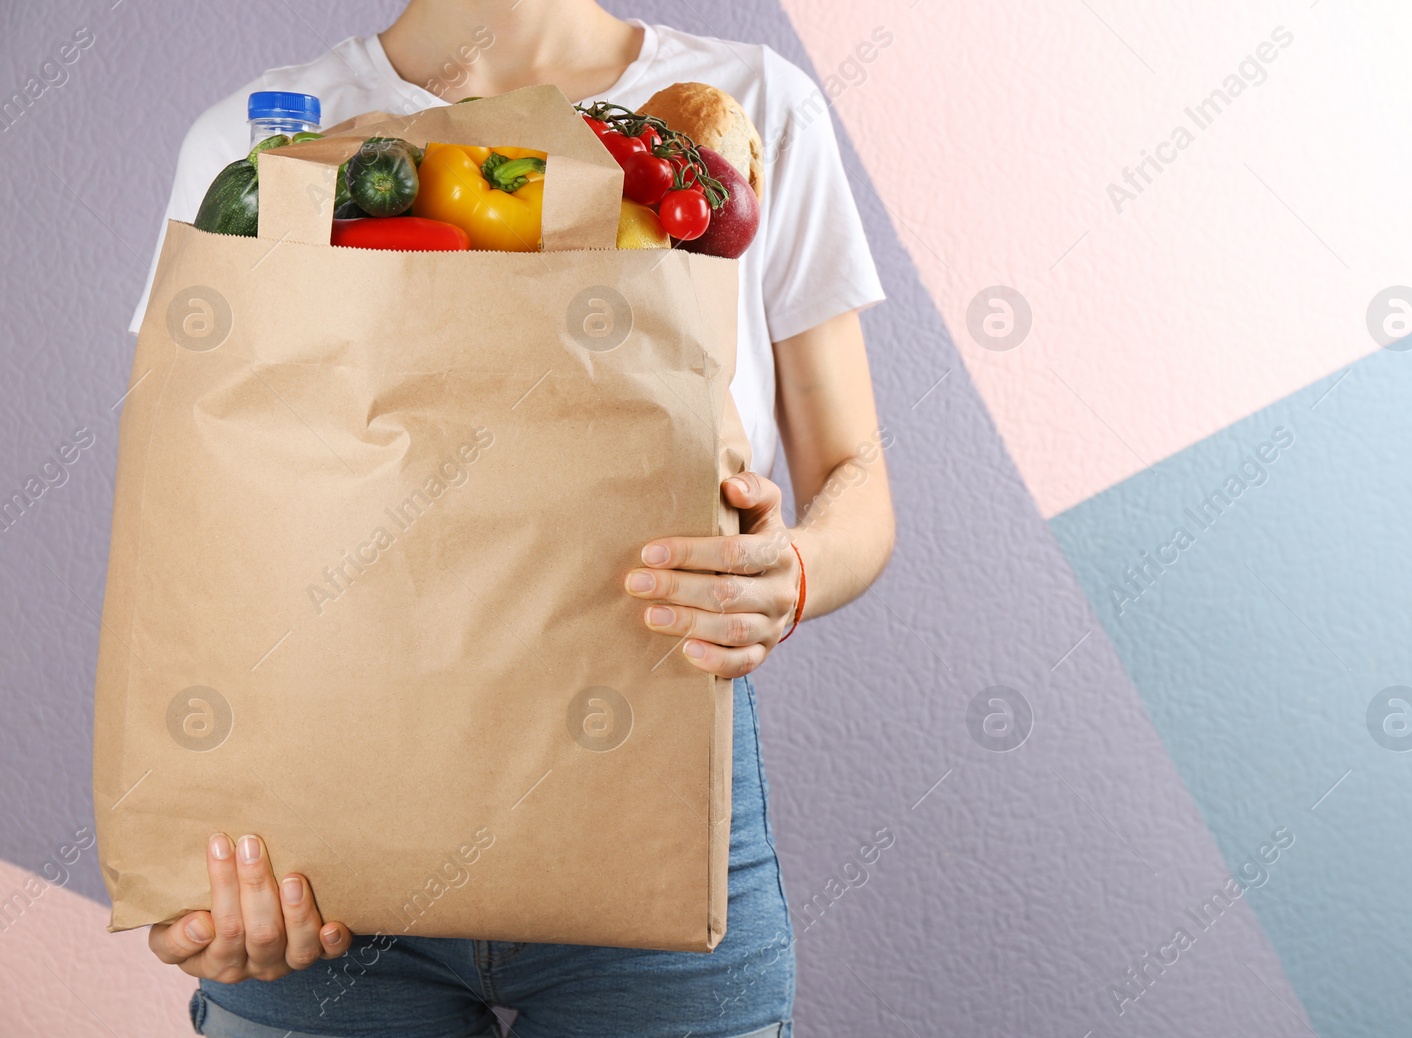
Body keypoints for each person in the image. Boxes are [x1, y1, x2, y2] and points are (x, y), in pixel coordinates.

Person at [127, 1, 893, 1035]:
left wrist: (790, 572)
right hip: (317, 846)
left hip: (647, 801)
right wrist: (188, 857)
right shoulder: (271, 137)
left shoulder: (741, 113)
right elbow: (191, 527)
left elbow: (855, 476)